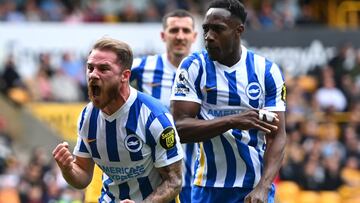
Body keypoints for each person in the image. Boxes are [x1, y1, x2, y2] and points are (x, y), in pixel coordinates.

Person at [170, 1, 287, 203]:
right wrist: (233, 121)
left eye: (218, 29)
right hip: (207, 187)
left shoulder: (266, 70)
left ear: (238, 30)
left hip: (253, 189)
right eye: (206, 29)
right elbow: (179, 129)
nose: (209, 36)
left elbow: (277, 135)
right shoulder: (193, 66)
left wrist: (264, 186)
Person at [85, 9, 198, 203]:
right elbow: (112, 79)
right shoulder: (144, 67)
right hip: (154, 173)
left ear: (194, 36)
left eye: (186, 31)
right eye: (174, 30)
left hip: (192, 168)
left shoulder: (202, 71)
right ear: (163, 35)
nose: (180, 36)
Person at [52, 37, 184, 203]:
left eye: (103, 69)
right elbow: (83, 176)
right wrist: (68, 169)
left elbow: (174, 182)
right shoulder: (88, 116)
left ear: (125, 75)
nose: (93, 74)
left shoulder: (154, 118)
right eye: (90, 68)